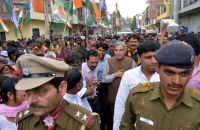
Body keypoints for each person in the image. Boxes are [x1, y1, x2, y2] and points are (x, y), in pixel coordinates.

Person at [120, 40, 200, 130]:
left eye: (184, 74)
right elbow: (125, 126)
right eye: (169, 72)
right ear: (157, 67)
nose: (177, 81)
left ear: (192, 71)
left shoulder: (198, 103)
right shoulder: (138, 96)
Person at [15, 54, 100, 130]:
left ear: (62, 88)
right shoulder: (24, 119)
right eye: (28, 92)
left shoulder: (84, 123)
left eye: (40, 92)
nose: (30, 101)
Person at [113, 40, 160, 130]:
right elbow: (121, 103)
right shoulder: (129, 75)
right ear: (139, 57)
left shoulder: (165, 75)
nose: (153, 61)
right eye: (148, 57)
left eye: (155, 56)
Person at [102, 41, 136, 118]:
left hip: (128, 98)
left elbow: (135, 79)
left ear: (125, 51)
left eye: (120, 50)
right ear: (113, 51)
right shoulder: (109, 61)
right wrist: (115, 75)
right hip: (113, 98)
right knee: (115, 120)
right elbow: (104, 79)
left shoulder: (131, 61)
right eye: (116, 50)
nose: (118, 52)